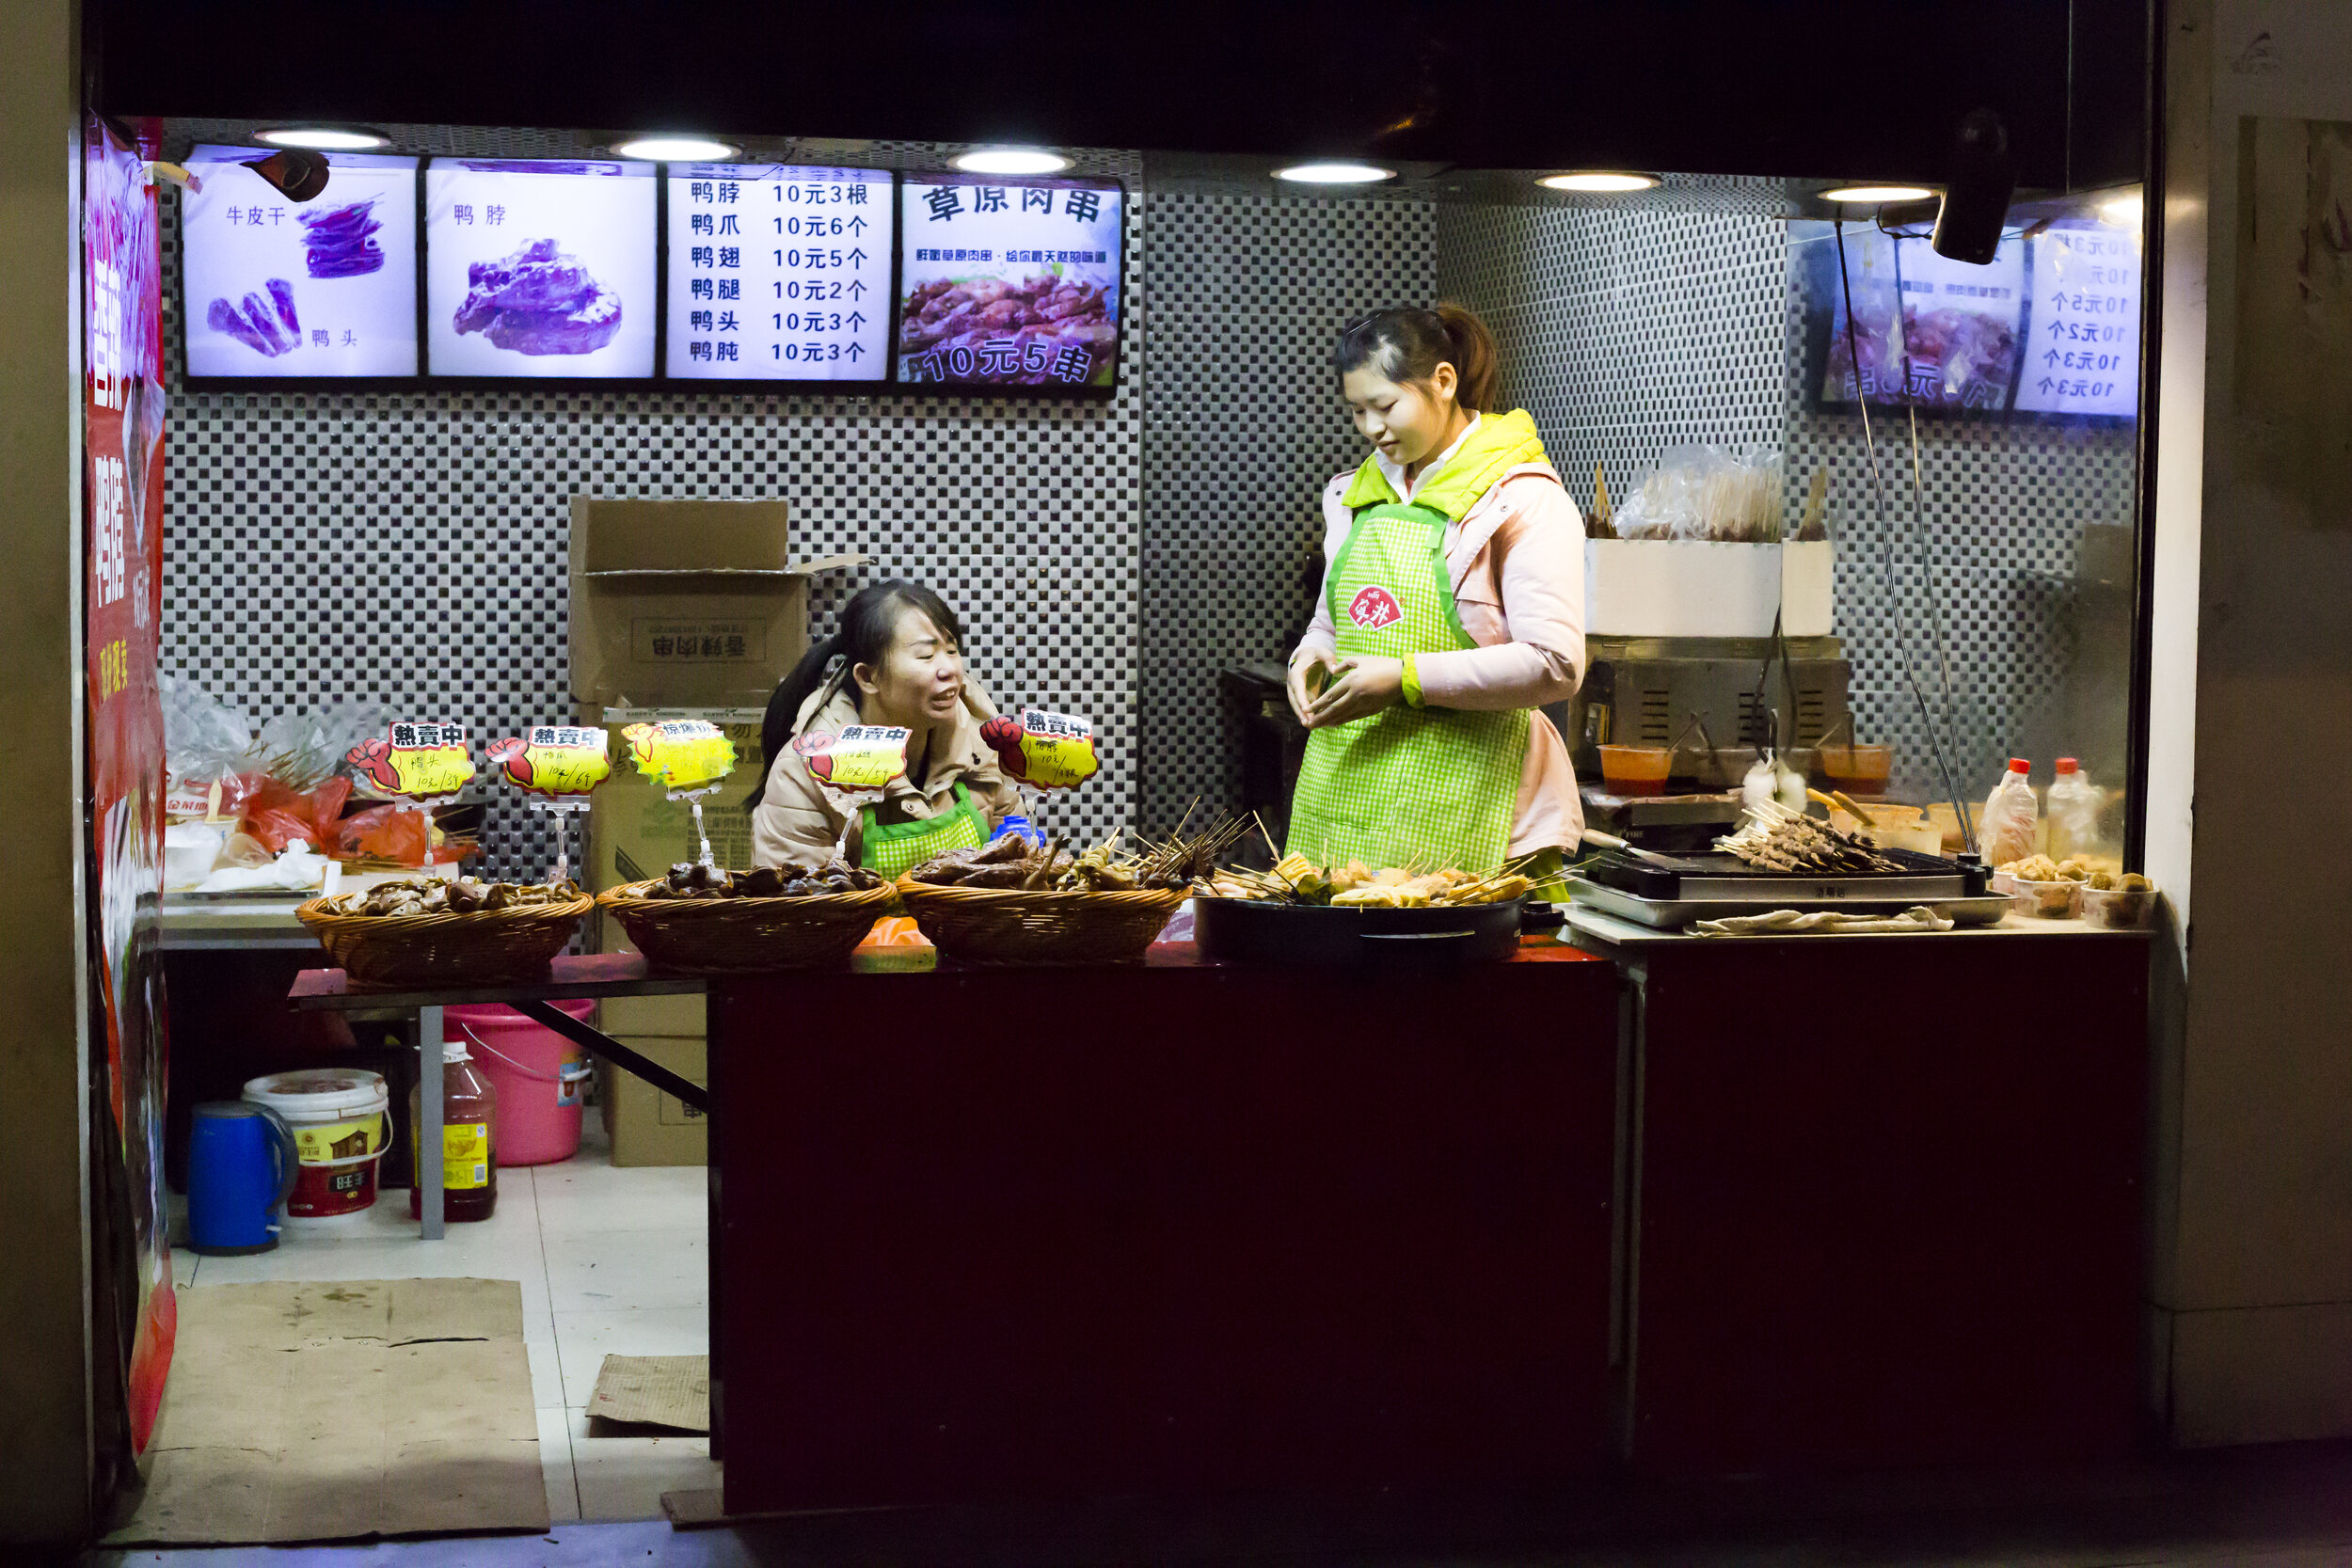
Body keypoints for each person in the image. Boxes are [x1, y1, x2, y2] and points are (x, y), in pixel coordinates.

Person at [1284, 303, 1585, 881]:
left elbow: (1557, 663)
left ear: (1443, 382)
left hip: (1478, 806)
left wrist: (1404, 678)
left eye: (1386, 405)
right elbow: (1331, 622)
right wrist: (1310, 655)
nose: (1372, 428)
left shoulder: (1520, 496)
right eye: (1357, 411)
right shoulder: (1352, 496)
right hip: (1347, 804)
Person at [749, 580, 1025, 874]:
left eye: (951, 650)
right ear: (868, 677)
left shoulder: (982, 746)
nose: (950, 670)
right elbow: (800, 905)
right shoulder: (805, 773)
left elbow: (1017, 864)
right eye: (926, 656)